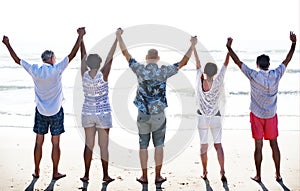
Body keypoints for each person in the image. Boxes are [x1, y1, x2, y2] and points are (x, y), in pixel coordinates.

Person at [2, 27, 86, 180]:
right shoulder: (57, 69)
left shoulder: (35, 70)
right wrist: (80, 37)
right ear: (52, 59)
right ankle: (55, 172)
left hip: (41, 112)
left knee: (39, 142)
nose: (55, 59)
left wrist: (7, 44)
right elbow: (72, 55)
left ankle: (36, 171)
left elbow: (17, 60)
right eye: (54, 57)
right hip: (56, 112)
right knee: (55, 144)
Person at [115, 28, 197, 185]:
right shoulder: (163, 71)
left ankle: (144, 176)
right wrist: (192, 45)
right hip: (159, 114)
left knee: (143, 145)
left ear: (146, 58)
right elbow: (184, 62)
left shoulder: (140, 69)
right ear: (158, 58)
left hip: (142, 114)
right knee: (159, 145)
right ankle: (158, 176)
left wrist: (119, 37)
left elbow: (126, 54)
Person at [226, 31, 297, 182]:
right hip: (271, 115)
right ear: (269, 65)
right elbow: (287, 60)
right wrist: (293, 44)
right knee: (274, 144)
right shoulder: (276, 74)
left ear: (257, 65)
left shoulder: (253, 74)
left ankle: (258, 175)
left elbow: (238, 62)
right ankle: (278, 174)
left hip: (257, 116)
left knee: (258, 146)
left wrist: (229, 48)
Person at [79, 34, 117, 183]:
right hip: (103, 113)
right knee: (104, 146)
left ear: (88, 64)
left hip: (88, 112)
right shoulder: (104, 74)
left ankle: (86, 175)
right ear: (100, 63)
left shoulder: (84, 74)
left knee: (89, 144)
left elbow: (82, 55)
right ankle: (105, 175)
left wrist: (81, 39)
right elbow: (111, 56)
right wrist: (117, 39)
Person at [194, 45, 230, 182]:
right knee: (218, 145)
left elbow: (197, 64)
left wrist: (193, 46)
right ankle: (222, 171)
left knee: (203, 146)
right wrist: (229, 48)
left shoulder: (200, 80)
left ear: (205, 71)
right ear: (215, 73)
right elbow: (226, 64)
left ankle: (205, 172)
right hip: (215, 116)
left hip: (202, 117)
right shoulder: (218, 80)